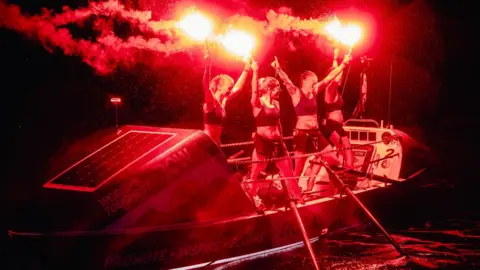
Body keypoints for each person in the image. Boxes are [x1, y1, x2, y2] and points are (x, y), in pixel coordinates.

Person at [271, 52, 352, 191]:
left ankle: (315, 171)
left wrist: (344, 64)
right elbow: (287, 81)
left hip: (316, 133)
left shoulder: (314, 92)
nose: (316, 83)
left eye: (316, 81)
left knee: (334, 159)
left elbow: (329, 78)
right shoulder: (296, 93)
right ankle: (293, 193)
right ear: (305, 80)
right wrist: (278, 70)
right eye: (313, 80)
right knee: (298, 169)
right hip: (302, 134)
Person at [248, 61, 302, 210]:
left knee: (288, 171)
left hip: (277, 143)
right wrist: (255, 71)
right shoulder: (257, 104)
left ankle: (298, 198)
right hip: (263, 143)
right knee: (256, 174)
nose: (279, 91)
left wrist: (282, 141)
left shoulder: (277, 104)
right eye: (277, 88)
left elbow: (279, 125)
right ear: (268, 89)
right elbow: (253, 91)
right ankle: (252, 198)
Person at [203, 42, 251, 144]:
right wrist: (207, 67)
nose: (231, 90)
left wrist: (246, 68)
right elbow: (206, 87)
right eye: (229, 88)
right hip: (207, 145)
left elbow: (237, 89)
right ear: (219, 87)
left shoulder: (223, 101)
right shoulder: (211, 103)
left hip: (216, 144)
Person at [319, 46, 354, 170]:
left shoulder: (332, 90)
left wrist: (335, 57)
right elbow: (335, 76)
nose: (341, 78)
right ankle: (350, 174)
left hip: (334, 125)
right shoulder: (330, 89)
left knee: (342, 152)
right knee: (348, 152)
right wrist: (344, 64)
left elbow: (334, 71)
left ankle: (314, 180)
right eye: (338, 76)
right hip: (333, 125)